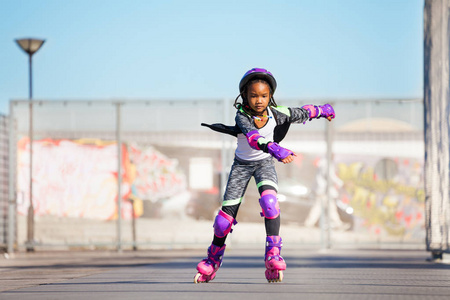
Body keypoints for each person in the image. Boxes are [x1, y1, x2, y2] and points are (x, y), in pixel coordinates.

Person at [195, 68, 335, 283]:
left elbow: (302, 112)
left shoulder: (276, 113)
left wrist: (323, 110)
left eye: (263, 96)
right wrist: (277, 149)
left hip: (264, 165)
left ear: (270, 97)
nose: (259, 100)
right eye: (253, 95)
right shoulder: (242, 116)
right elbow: (253, 138)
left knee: (270, 203)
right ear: (244, 96)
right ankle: (213, 260)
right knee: (224, 221)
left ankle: (273, 255)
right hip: (242, 166)